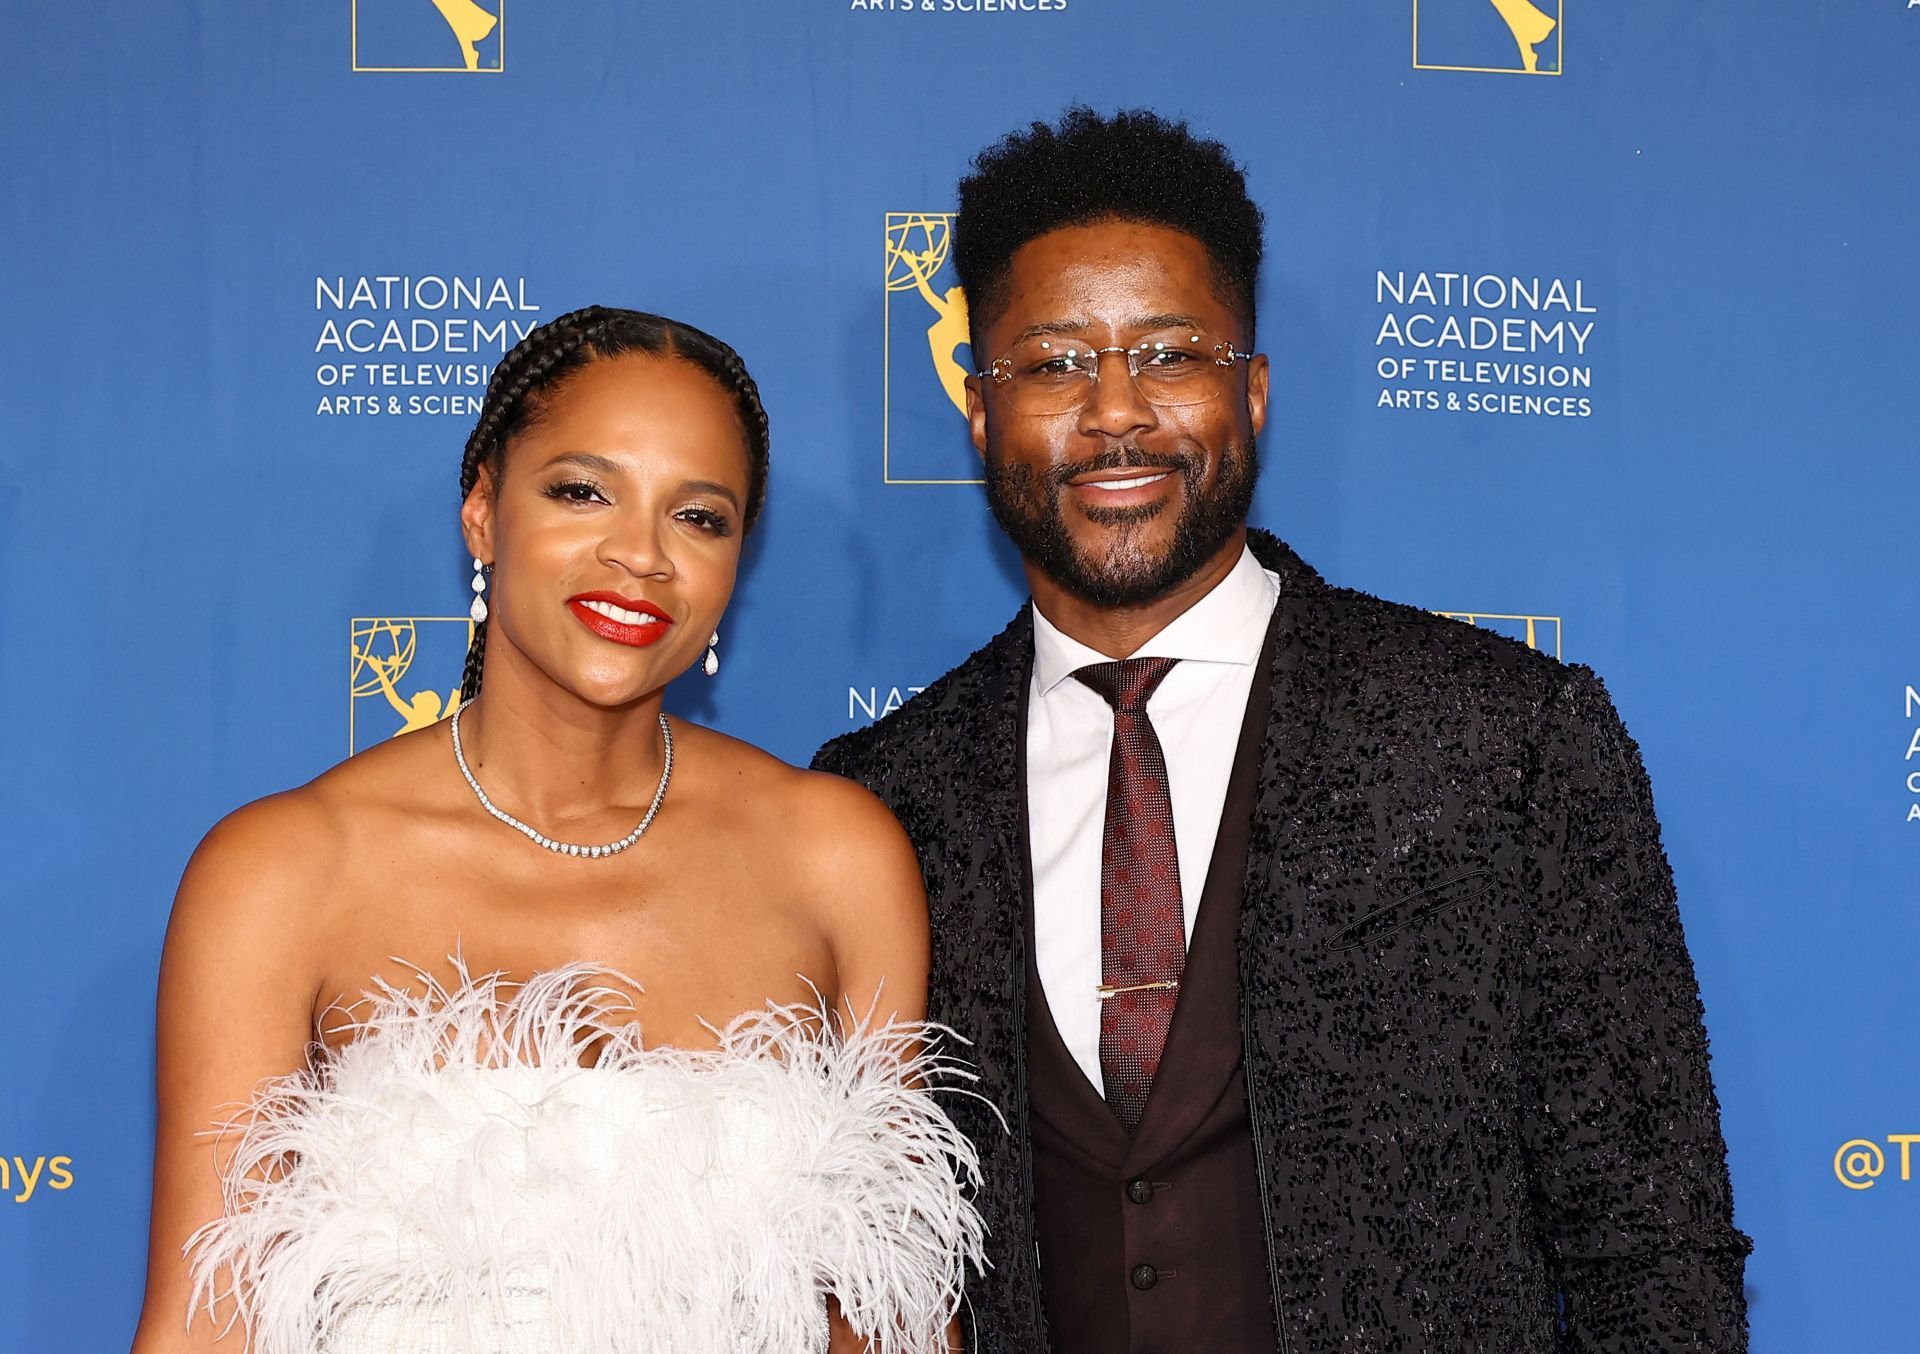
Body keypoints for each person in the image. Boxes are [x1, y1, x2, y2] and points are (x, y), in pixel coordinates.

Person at [814, 108, 1751, 1352]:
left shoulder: (1503, 741)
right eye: (1050, 364)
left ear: (1251, 393)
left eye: (1169, 355)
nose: (1114, 414)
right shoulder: (882, 799)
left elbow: (1654, 1247)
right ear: (980, 412)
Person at [132, 306, 981, 1354]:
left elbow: (889, 1313)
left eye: (700, 517)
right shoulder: (286, 870)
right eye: (582, 491)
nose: (640, 555)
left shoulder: (835, 855)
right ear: (483, 510)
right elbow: (208, 1324)